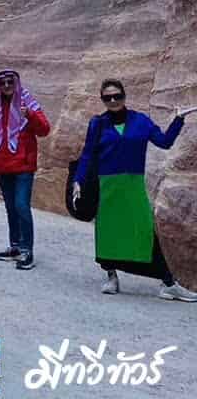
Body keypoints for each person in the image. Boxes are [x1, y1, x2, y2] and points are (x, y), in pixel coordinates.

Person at [73, 79, 197, 301]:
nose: (113, 100)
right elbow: (88, 154)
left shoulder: (140, 121)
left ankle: (168, 283)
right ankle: (111, 276)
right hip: (107, 186)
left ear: (124, 96)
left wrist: (178, 119)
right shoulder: (98, 124)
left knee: (144, 231)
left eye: (117, 96)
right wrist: (78, 180)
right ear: (103, 100)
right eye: (107, 97)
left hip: (133, 185)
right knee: (109, 232)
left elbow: (165, 142)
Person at [0, 68, 50, 271]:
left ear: (16, 83)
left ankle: (27, 250)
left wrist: (29, 115)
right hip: (3, 165)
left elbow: (44, 129)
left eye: (10, 82)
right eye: (2, 83)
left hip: (23, 165)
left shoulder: (26, 103)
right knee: (11, 207)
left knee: (21, 205)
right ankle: (15, 246)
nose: (6, 86)